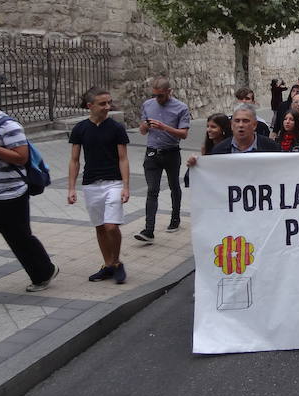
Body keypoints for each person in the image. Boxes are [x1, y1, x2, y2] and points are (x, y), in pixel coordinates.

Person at [0, 75, 59, 292]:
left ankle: (44, 272)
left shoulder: (7, 125)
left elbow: (21, 157)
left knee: (20, 238)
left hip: (10, 194)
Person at [68, 87, 130, 283]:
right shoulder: (80, 129)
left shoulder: (116, 128)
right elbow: (75, 160)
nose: (107, 107)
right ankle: (108, 265)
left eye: (109, 103)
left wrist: (126, 186)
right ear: (90, 106)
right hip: (91, 184)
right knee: (100, 227)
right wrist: (71, 188)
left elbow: (123, 159)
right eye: (102, 104)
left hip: (114, 182)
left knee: (112, 226)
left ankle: (118, 262)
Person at [136, 77, 190, 244]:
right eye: (155, 95)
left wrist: (164, 127)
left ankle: (175, 218)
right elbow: (142, 131)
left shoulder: (181, 108)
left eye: (161, 95)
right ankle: (148, 230)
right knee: (152, 189)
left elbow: (184, 134)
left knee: (174, 185)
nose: (157, 98)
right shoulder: (148, 105)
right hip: (152, 153)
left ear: (169, 92)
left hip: (171, 152)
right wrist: (145, 126)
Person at [189, 104, 280, 164]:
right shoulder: (219, 150)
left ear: (254, 125)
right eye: (237, 121)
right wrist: (195, 164)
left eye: (245, 121)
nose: (240, 125)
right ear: (232, 125)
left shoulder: (271, 148)